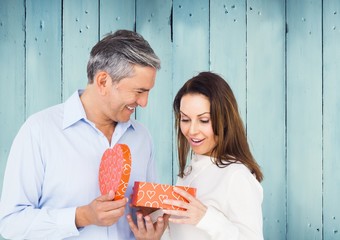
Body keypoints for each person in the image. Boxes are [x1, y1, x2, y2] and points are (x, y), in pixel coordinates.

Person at [0, 30, 167, 240]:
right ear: (103, 81)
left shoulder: (142, 137)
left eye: (148, 92)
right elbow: (10, 224)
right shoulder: (39, 131)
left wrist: (153, 227)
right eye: (138, 91)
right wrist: (81, 216)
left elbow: (148, 216)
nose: (144, 103)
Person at [161, 72, 264, 239]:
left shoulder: (236, 175)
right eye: (185, 119)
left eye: (204, 120)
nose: (192, 130)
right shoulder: (189, 172)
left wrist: (205, 218)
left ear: (224, 120)